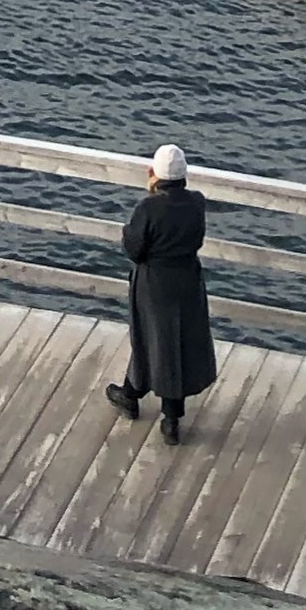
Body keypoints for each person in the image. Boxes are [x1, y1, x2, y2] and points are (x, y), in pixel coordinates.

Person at [107, 142, 216, 444]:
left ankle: (136, 395)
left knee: (149, 338)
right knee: (178, 340)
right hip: (187, 278)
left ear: (154, 173)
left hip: (154, 282)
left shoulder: (148, 208)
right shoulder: (197, 203)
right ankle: (168, 414)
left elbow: (134, 249)